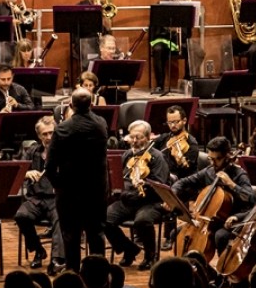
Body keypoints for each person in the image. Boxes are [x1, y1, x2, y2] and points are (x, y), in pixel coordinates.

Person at [45, 88, 110, 272]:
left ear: (71, 105)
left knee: (71, 237)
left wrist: (59, 186)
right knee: (96, 235)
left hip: (69, 194)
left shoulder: (63, 129)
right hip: (96, 193)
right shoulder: (101, 124)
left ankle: (73, 278)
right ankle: (99, 277)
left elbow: (49, 166)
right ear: (91, 104)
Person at [172, 137, 255, 257]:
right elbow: (183, 182)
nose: (213, 163)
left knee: (220, 236)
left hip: (230, 220)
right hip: (207, 219)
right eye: (210, 159)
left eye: (218, 159)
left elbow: (251, 198)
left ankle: (221, 271)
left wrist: (232, 185)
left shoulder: (239, 174)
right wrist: (173, 192)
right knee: (177, 232)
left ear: (228, 156)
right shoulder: (209, 171)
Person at [105, 120, 170, 271]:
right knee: (105, 219)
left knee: (142, 220)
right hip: (128, 200)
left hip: (150, 201)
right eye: (132, 137)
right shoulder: (128, 155)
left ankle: (150, 256)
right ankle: (129, 249)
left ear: (148, 138)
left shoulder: (157, 157)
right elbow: (118, 178)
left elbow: (159, 184)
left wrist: (143, 186)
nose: (134, 141)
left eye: (139, 138)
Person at [16, 116, 64, 273]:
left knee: (60, 218)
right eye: (45, 134)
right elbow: (18, 173)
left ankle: (57, 260)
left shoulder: (63, 151)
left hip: (56, 198)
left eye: (52, 133)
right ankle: (38, 249)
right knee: (21, 216)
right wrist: (27, 173)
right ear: (39, 136)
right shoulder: (32, 151)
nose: (49, 137)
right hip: (36, 198)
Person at [150, 0, 190, 95]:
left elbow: (188, 30)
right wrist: (169, 30)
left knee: (195, 50)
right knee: (157, 50)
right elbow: (156, 28)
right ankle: (160, 85)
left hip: (179, 40)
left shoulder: (185, 6)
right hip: (163, 39)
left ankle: (187, 80)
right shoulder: (160, 6)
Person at [151, 105, 201, 183]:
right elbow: (151, 153)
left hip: (181, 182)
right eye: (169, 122)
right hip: (162, 178)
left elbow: (187, 170)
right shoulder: (164, 138)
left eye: (176, 122)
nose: (173, 126)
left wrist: (178, 157)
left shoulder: (191, 143)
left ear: (184, 121)